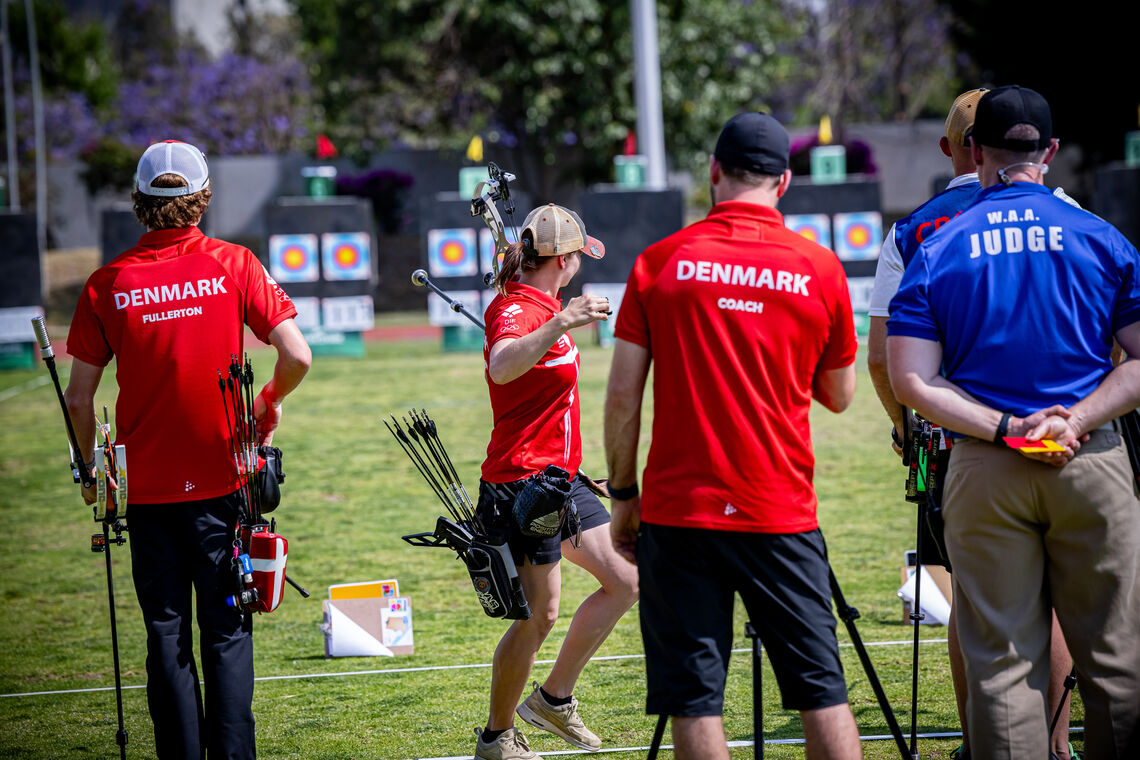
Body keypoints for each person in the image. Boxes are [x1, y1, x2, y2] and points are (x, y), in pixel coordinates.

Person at [888, 86, 1140, 760]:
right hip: (1090, 459)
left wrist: (1009, 429)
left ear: (973, 152)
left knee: (1001, 667)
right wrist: (1075, 419)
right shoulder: (1101, 235)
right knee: (1117, 661)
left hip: (985, 463)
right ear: (1051, 152)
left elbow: (911, 380)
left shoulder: (938, 244)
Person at [605, 112, 862, 760]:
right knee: (822, 692)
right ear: (785, 182)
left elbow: (621, 397)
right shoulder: (820, 268)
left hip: (679, 511)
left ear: (714, 173)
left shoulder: (660, 263)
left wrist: (623, 492)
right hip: (779, 510)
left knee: (696, 700)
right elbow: (838, 396)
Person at [64, 140, 312, 759]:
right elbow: (298, 354)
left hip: (145, 493)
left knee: (166, 633)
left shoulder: (108, 283)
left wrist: (91, 470)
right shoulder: (234, 264)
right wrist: (268, 404)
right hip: (224, 485)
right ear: (201, 199)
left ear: (141, 203)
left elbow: (78, 400)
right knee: (226, 631)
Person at [473, 203, 639, 760]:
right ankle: (497, 740)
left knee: (626, 579)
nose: (580, 267)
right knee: (537, 615)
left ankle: (552, 701)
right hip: (522, 484)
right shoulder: (516, 309)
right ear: (564, 261)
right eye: (578, 258)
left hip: (561, 480)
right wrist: (563, 320)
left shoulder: (539, 304)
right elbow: (500, 365)